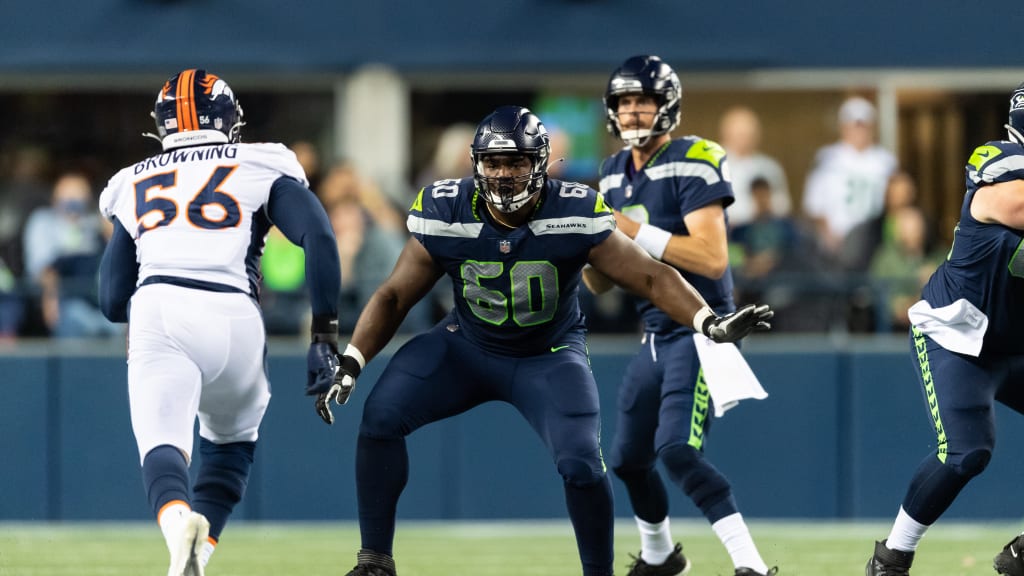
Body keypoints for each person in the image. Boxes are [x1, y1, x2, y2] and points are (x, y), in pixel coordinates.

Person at [307, 105, 773, 576]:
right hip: (466, 345)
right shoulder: (445, 207)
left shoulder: (573, 209)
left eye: (516, 162)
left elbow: (650, 277)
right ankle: (374, 563)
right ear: (476, 164)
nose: (504, 174)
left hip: (547, 356)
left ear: (541, 162)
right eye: (493, 162)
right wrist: (352, 361)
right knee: (380, 416)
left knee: (581, 465)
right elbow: (393, 294)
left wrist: (708, 322)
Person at [97, 69, 344, 576]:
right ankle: (194, 558)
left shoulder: (134, 179)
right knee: (231, 447)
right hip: (236, 316)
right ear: (229, 120)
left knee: (163, 443)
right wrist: (324, 335)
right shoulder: (261, 161)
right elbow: (319, 237)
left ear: (163, 124)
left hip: (161, 304)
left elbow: (108, 297)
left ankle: (177, 527)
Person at [586, 55, 777, 576]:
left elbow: (712, 258)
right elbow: (601, 279)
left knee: (676, 449)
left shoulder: (696, 157)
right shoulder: (610, 173)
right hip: (653, 333)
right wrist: (583, 241)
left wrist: (624, 228)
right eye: (623, 102)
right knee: (626, 458)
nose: (630, 111)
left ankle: (751, 566)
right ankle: (660, 557)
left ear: (665, 104)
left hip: (703, 328)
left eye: (641, 100)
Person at [865, 82, 1024, 576]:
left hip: (1015, 340)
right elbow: (1018, 206)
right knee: (966, 452)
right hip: (957, 334)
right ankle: (892, 557)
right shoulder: (999, 164)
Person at [802, 96, 898, 262]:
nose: (859, 131)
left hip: (876, 243)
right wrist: (829, 237)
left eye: (863, 126)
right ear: (843, 127)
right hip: (837, 245)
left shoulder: (886, 161)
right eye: (854, 125)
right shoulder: (827, 158)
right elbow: (814, 206)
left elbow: (896, 203)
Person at [717, 106, 791, 227]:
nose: (745, 139)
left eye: (749, 134)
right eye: (740, 134)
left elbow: (783, 205)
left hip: (763, 230)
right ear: (726, 134)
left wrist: (764, 207)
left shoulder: (769, 167)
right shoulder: (711, 165)